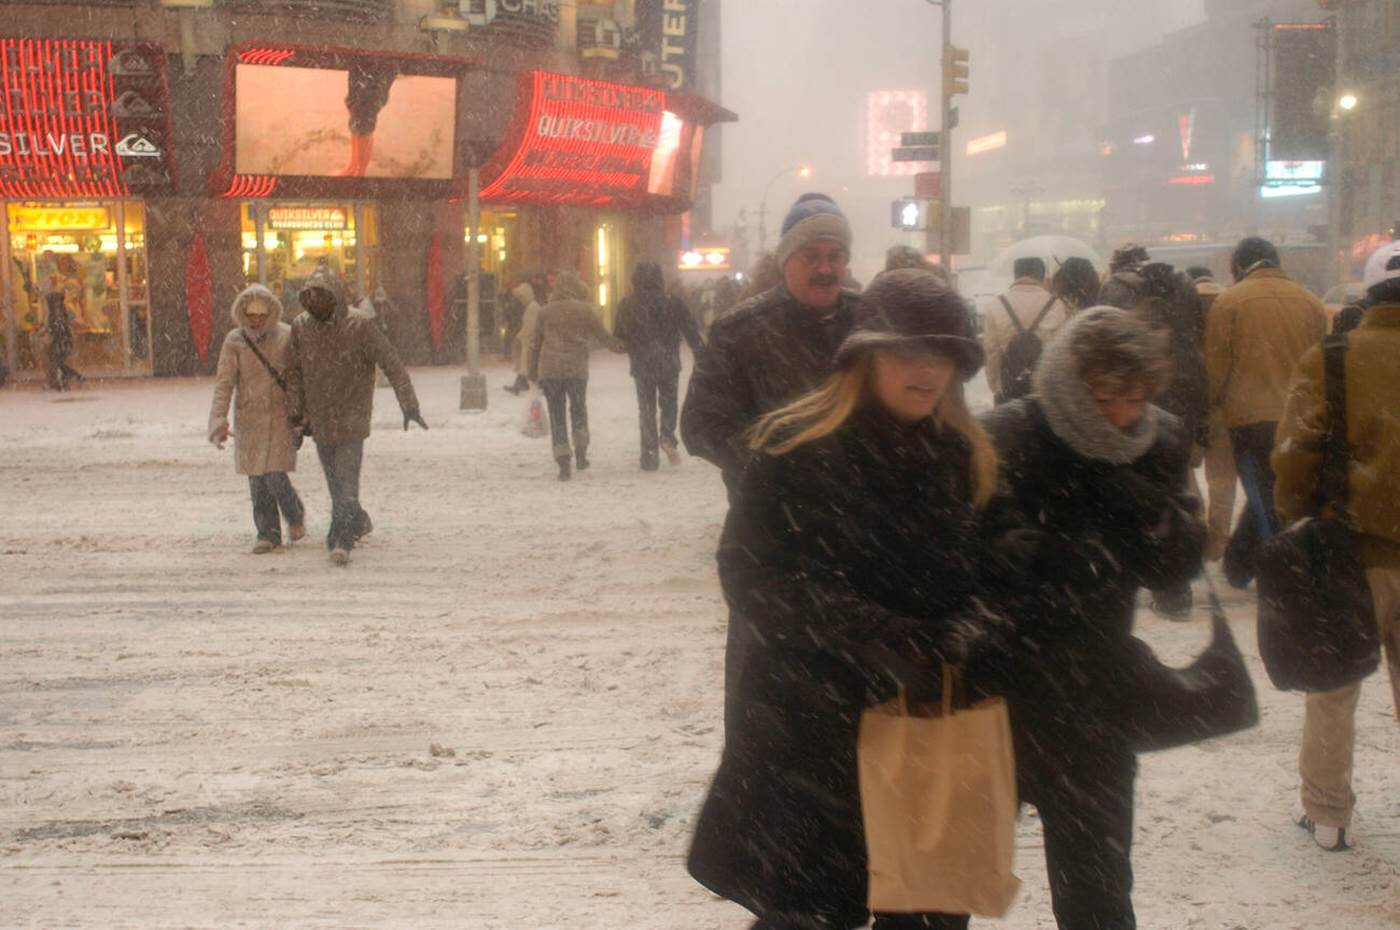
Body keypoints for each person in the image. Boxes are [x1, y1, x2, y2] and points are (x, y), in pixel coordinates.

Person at [688, 268, 1012, 930]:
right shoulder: (794, 445)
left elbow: (1002, 573)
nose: (928, 372)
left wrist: (971, 629)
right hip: (813, 734)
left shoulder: (968, 455)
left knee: (926, 910)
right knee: (812, 913)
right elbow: (752, 574)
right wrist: (873, 635)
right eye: (908, 353)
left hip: (929, 734)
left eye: (944, 354)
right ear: (865, 356)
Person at [982, 307, 1208, 930]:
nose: (1124, 416)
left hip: (1095, 703)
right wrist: (1025, 554)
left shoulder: (1157, 443)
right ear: (1068, 384)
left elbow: (1176, 571)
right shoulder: (1007, 436)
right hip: (995, 693)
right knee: (949, 886)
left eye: (1137, 398)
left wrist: (1156, 518)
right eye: (1108, 397)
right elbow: (961, 557)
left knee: (1098, 894)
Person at [1273, 241, 1400, 852]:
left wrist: (1297, 524)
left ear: (1368, 296)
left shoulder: (1333, 358)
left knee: (1333, 687)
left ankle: (1327, 815)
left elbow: (1296, 451)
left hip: (1352, 554)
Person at [682, 193, 860, 499]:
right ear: (785, 261)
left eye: (835, 257)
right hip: (770, 521)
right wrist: (778, 464)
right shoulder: (738, 331)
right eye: (810, 256)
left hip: (860, 519)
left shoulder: (871, 320)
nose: (825, 269)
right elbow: (701, 425)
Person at [1205, 237, 1327, 586]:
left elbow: (1216, 369)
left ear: (1239, 267)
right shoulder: (1311, 302)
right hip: (1301, 417)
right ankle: (1240, 565)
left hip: (1250, 418)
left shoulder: (1229, 303)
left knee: (1264, 496)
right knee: (1282, 491)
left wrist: (1210, 409)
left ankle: (1283, 574)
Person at [285, 267, 425, 565]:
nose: (314, 302)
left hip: (352, 416)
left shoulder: (360, 326)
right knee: (336, 483)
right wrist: (296, 411)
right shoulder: (300, 327)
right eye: (310, 296)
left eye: (321, 296)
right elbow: (293, 372)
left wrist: (409, 403)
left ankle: (341, 538)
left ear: (335, 297)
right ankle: (357, 520)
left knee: (346, 481)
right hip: (321, 418)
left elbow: (391, 362)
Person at [208, 285, 306, 554]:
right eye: (251, 315)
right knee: (257, 480)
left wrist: (302, 413)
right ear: (242, 313)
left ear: (271, 312)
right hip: (249, 417)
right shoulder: (234, 341)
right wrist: (218, 419)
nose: (256, 320)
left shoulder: (286, 336)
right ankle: (267, 534)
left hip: (279, 416)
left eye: (261, 315)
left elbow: (299, 378)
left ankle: (294, 513)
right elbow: (224, 382)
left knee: (275, 475)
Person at [528, 270, 624, 481]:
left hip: (551, 370)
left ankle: (563, 461)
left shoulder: (544, 312)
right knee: (578, 410)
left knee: (557, 415)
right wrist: (620, 346)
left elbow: (535, 344)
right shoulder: (584, 310)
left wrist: (531, 371)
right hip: (576, 370)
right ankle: (581, 453)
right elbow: (602, 335)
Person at [614, 261, 703, 471]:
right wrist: (701, 353)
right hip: (668, 362)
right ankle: (667, 437)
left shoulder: (627, 304)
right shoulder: (673, 302)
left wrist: (630, 344)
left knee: (645, 409)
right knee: (669, 403)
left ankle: (649, 455)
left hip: (642, 363)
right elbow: (691, 330)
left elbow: (619, 335)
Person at [1187, 266, 1236, 560]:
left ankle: (1196, 523)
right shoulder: (1231, 301)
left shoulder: (1183, 304)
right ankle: (1217, 542)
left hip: (1191, 402)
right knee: (1222, 477)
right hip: (1225, 404)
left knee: (1184, 468)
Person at [980, 256, 1070, 405]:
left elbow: (991, 351)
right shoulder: (1055, 304)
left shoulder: (996, 305)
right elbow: (1060, 352)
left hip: (1010, 385)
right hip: (1044, 387)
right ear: (1041, 276)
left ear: (1016, 275)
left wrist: (996, 387)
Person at [504, 281, 541, 395]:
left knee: (525, 364)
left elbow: (529, 327)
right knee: (525, 365)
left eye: (521, 297)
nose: (520, 300)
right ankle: (521, 383)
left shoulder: (532, 308)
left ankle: (521, 383)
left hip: (529, 342)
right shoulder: (532, 306)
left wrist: (520, 336)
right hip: (529, 341)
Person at [44, 291, 83, 390]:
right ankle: (65, 382)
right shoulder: (61, 312)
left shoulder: (57, 313)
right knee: (58, 362)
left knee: (58, 362)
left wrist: (49, 332)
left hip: (61, 341)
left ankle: (75, 376)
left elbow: (57, 327)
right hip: (62, 340)